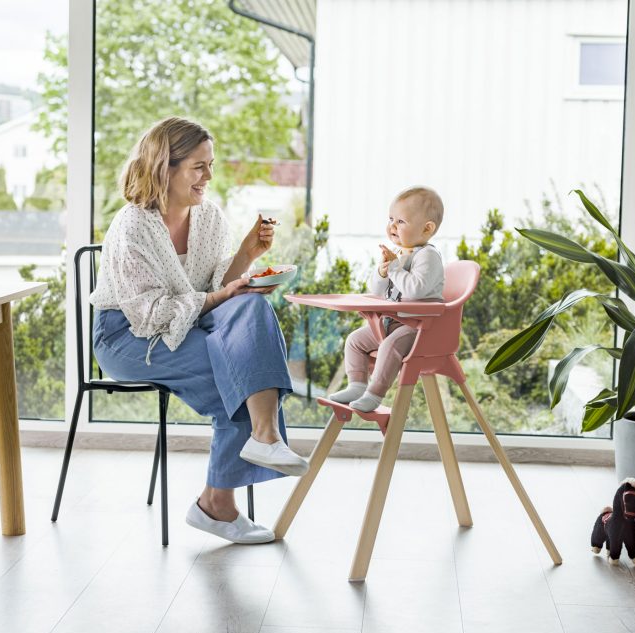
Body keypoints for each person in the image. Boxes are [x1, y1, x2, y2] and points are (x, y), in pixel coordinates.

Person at [89, 116, 308, 545]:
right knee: (238, 372)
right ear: (164, 168)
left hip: (188, 319)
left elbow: (215, 288)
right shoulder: (131, 227)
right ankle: (217, 505)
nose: (209, 176)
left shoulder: (208, 217)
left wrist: (248, 254)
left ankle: (265, 438)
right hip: (128, 335)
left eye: (211, 164)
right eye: (198, 166)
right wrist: (221, 297)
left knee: (252, 307)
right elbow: (149, 314)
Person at [329, 186, 446, 412]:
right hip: (391, 322)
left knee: (389, 346)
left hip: (419, 327)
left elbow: (415, 290)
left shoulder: (428, 256)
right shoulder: (400, 253)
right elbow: (377, 291)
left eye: (400, 222)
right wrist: (383, 272)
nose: (392, 226)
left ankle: (375, 394)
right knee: (355, 340)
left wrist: (394, 268)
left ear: (427, 228)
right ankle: (357, 385)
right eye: (391, 219)